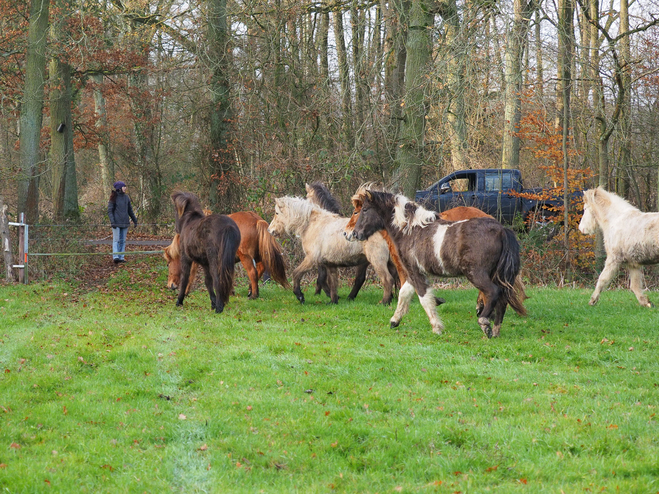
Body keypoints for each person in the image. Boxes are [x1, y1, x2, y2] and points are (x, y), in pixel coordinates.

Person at [108, 181, 138, 264]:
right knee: (116, 240)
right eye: (123, 186)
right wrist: (112, 222)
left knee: (123, 241)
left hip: (125, 222)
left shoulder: (126, 198)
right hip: (116, 223)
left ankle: (121, 257)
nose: (125, 188)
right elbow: (110, 211)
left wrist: (134, 220)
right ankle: (116, 256)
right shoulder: (113, 197)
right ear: (119, 188)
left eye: (125, 186)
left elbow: (130, 210)